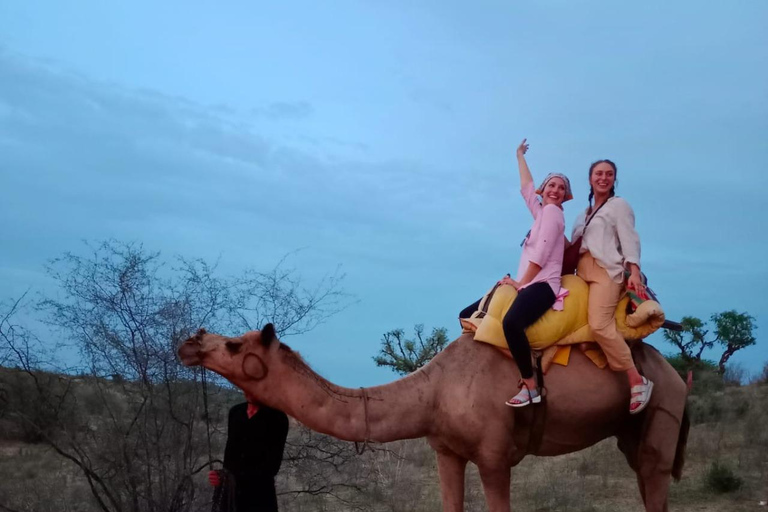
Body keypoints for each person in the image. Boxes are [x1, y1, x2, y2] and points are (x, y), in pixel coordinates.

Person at [460, 139, 572, 407]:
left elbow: (542, 254)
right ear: (544, 190)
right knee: (466, 315)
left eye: (561, 187)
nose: (555, 190)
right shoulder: (542, 212)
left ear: (565, 196)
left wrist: (520, 282)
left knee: (511, 323)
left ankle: (531, 385)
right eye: (551, 185)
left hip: (543, 286)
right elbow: (526, 188)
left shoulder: (554, 214)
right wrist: (519, 155)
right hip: (528, 283)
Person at [570, 159, 653, 414]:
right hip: (580, 271)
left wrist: (634, 270)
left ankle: (636, 379)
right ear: (590, 178)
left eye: (609, 174)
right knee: (574, 327)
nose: (603, 178)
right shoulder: (583, 213)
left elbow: (630, 238)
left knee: (598, 324)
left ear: (614, 179)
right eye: (598, 173)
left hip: (605, 271)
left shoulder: (619, 205)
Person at [209, 401, 289, 512]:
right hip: (230, 498)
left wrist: (233, 476)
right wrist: (221, 476)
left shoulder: (278, 418)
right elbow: (230, 457)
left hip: (260, 498)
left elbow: (272, 467)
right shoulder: (235, 412)